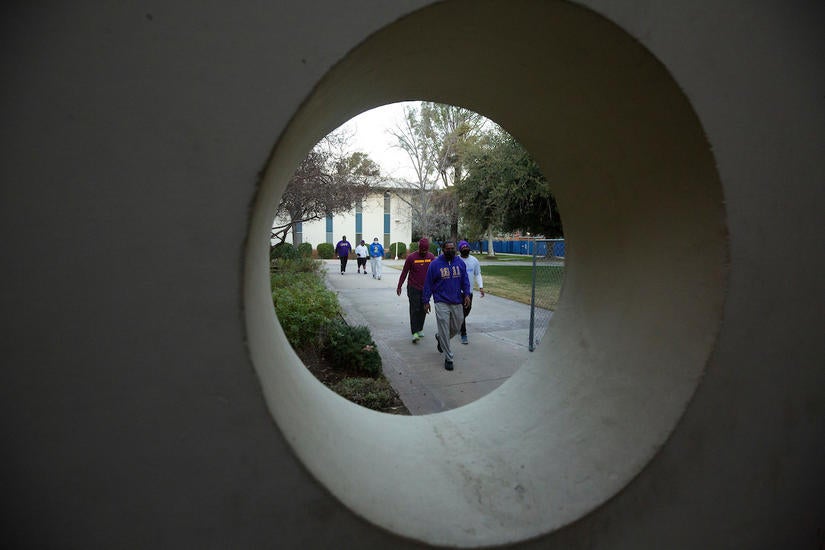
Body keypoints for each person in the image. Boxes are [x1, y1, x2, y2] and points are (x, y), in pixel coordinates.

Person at [422, 240, 471, 371]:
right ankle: (449, 358)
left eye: (452, 248)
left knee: (456, 326)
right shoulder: (435, 265)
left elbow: (465, 280)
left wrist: (466, 294)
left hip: (456, 300)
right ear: (443, 250)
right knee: (444, 327)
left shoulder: (460, 263)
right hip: (441, 301)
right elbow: (428, 283)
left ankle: (440, 338)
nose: (450, 250)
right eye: (448, 248)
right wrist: (426, 300)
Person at [396, 238, 436, 343]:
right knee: (415, 309)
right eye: (422, 250)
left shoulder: (431, 257)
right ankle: (414, 332)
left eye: (425, 250)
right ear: (419, 248)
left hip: (426, 288)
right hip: (413, 287)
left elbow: (435, 273)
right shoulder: (411, 257)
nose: (424, 252)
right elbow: (404, 272)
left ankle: (420, 328)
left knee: (424, 308)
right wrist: (399, 285)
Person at [458, 240, 484, 344]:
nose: (466, 250)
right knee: (462, 313)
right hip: (458, 292)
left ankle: (457, 323)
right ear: (460, 250)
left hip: (469, 292)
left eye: (467, 248)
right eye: (463, 248)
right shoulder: (457, 260)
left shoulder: (474, 260)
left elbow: (477, 274)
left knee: (466, 311)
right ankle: (463, 334)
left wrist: (481, 287)